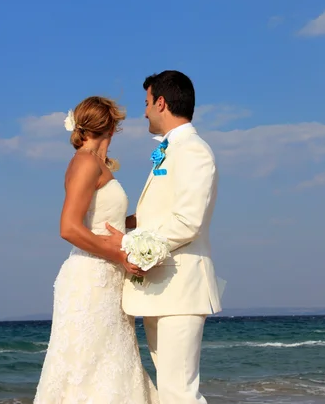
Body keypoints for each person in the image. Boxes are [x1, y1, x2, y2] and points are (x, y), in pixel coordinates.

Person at [34, 96, 158, 404]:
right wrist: (120, 256)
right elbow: (69, 228)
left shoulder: (95, 163)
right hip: (91, 279)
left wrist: (143, 225)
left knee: (109, 364)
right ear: (112, 127)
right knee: (91, 368)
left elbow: (106, 220)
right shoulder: (86, 161)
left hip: (107, 278)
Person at [108, 70, 222, 404]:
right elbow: (162, 213)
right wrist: (123, 222)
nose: (143, 112)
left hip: (181, 289)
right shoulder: (174, 149)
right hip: (163, 290)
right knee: (169, 391)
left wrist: (130, 247)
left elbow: (188, 222)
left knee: (179, 393)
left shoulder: (193, 151)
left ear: (161, 102)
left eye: (146, 103)